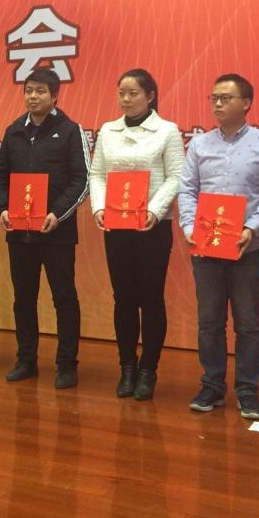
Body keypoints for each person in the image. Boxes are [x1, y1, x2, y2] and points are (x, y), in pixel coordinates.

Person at [178, 74, 259, 420]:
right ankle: (212, 385)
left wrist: (252, 228)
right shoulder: (199, 144)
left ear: (246, 103)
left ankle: (247, 389)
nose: (218, 104)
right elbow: (187, 190)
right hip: (206, 248)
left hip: (246, 250)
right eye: (214, 98)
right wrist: (188, 227)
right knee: (209, 322)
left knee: (247, 323)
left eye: (226, 98)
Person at [89, 69, 185, 400]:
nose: (126, 99)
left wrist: (154, 211)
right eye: (122, 93)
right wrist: (99, 208)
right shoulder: (108, 130)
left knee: (151, 298)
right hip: (117, 226)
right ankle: (127, 367)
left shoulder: (167, 131)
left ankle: (148, 369)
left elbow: (176, 176)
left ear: (150, 96)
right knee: (124, 298)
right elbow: (97, 174)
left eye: (133, 93)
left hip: (152, 228)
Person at [0, 69, 89, 389]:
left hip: (56, 232)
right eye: (29, 90)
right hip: (19, 232)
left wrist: (57, 214)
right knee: (24, 298)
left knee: (64, 297)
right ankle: (26, 359)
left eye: (40, 91)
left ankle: (67, 364)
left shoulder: (70, 130)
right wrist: (2, 208)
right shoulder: (13, 132)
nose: (33, 97)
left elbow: (82, 180)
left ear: (55, 95)